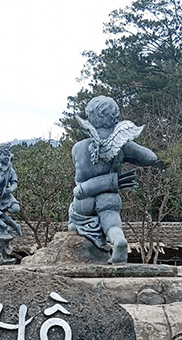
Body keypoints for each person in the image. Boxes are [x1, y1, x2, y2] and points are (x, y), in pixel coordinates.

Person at [68, 96, 158, 263]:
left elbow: (80, 179)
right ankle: (118, 240)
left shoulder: (78, 147)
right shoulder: (120, 145)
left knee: (73, 224)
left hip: (83, 199)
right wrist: (126, 153)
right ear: (114, 117)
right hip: (109, 197)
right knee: (112, 224)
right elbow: (151, 158)